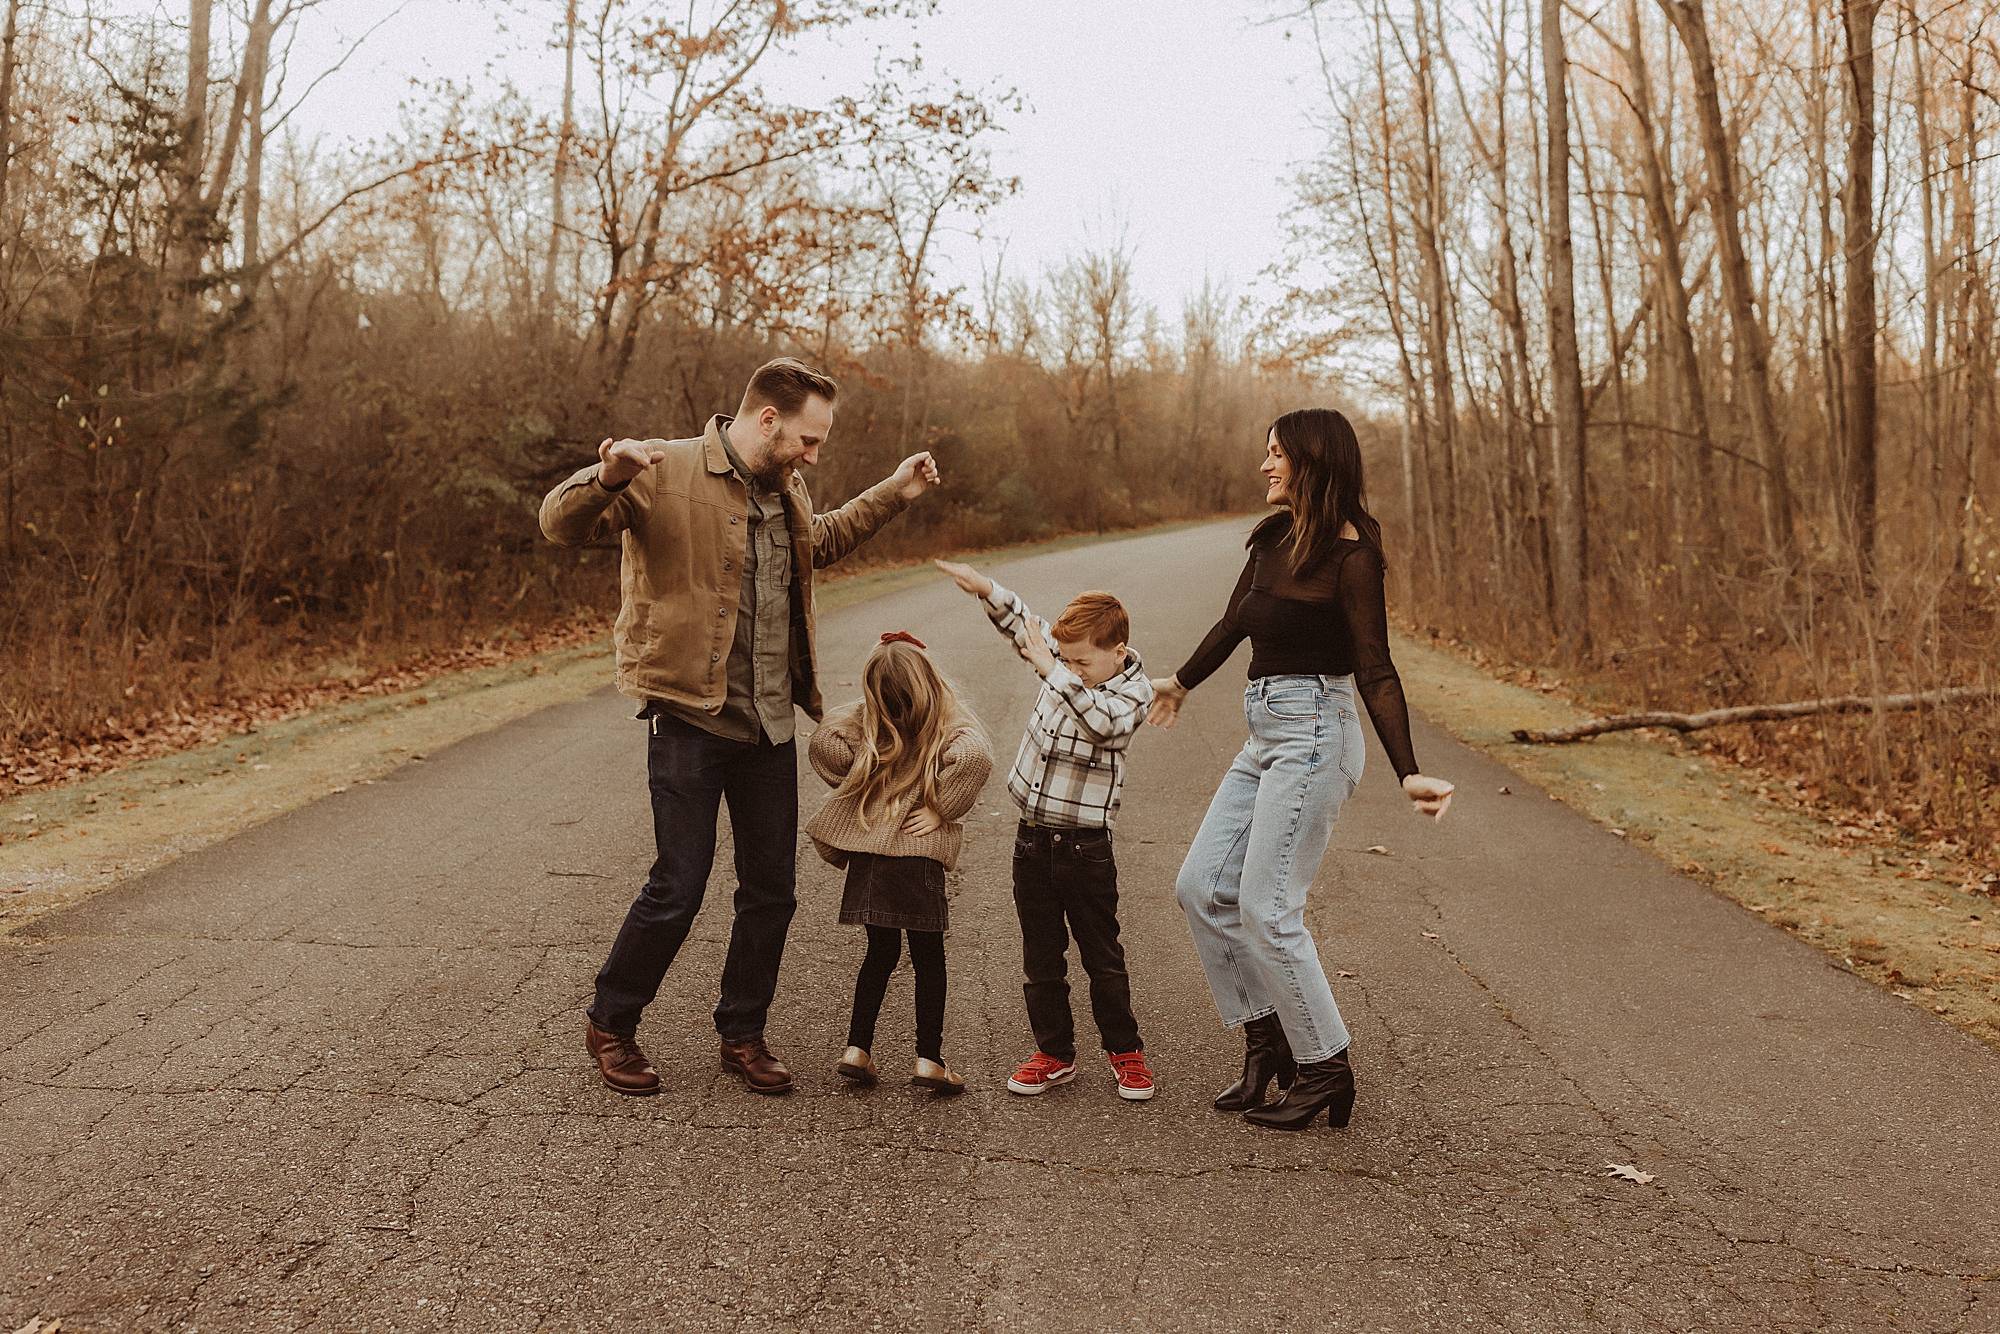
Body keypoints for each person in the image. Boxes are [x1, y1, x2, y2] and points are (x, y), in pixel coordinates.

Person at [540, 357, 942, 1098]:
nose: (814, 455)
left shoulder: (786, 487)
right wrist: (606, 477)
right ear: (767, 421)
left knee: (772, 891)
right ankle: (611, 1022)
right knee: (678, 886)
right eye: (809, 440)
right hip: (688, 717)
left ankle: (742, 1032)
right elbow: (560, 526)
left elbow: (819, 541)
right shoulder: (662, 470)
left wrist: (895, 491)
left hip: (767, 723)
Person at [1149, 407, 1455, 1132]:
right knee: (1200, 888)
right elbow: (1235, 622)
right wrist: (1183, 683)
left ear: (1314, 461)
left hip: (1317, 731)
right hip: (1265, 731)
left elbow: (1376, 668)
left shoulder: (1354, 555)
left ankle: (1326, 1068)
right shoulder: (1272, 538)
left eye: (1276, 453)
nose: (1265, 465)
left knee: (1267, 907)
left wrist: (1407, 770)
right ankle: (1269, 1041)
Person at [933, 559, 1159, 1102]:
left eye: (1082, 661)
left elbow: (1101, 724)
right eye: (1067, 658)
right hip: (1032, 840)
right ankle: (1055, 1053)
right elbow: (1026, 627)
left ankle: (1125, 1051)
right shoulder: (1067, 664)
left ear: (1118, 653)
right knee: (1041, 955)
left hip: (1087, 849)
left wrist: (1053, 670)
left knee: (1102, 955)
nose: (1071, 667)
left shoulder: (1134, 693)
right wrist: (987, 589)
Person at [804, 631, 993, 1094]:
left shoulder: (870, 731)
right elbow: (976, 756)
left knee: (880, 954)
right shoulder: (946, 728)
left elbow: (824, 741)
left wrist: (859, 766)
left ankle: (857, 1049)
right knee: (929, 960)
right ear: (929, 683)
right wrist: (940, 806)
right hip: (917, 861)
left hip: (870, 861)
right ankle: (929, 1058)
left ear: (872, 693)